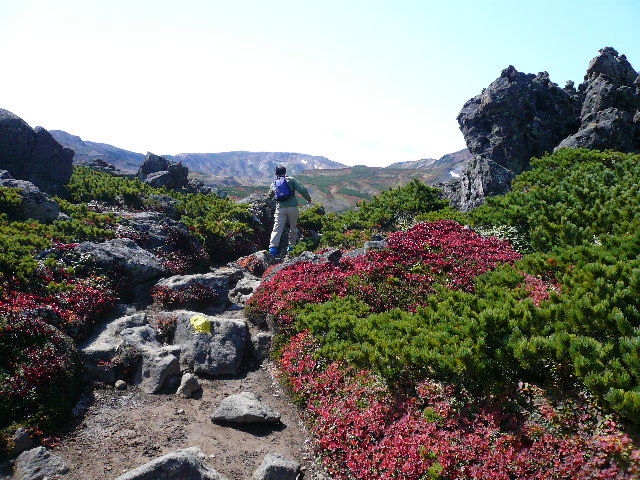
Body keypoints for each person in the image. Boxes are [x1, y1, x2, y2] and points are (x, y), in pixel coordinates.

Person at [268, 165, 311, 256]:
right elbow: (302, 189)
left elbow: (270, 195)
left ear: (276, 174)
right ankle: (291, 247)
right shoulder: (291, 180)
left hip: (280, 209)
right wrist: (308, 199)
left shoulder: (274, 182)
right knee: (293, 227)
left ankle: (273, 249)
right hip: (293, 207)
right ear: (285, 173)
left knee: (277, 228)